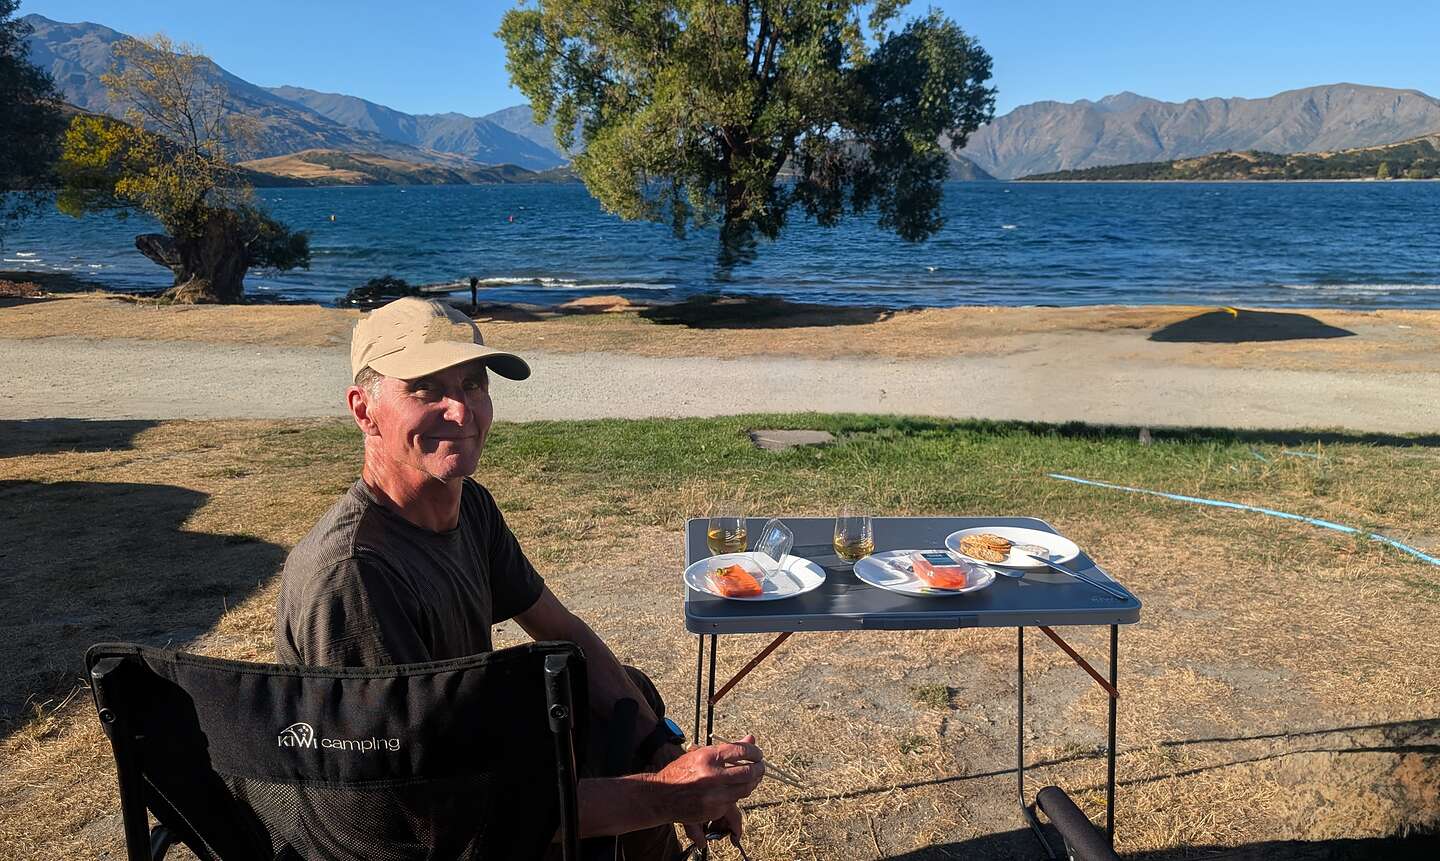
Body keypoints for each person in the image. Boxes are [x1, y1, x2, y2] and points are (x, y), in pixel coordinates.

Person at [274, 297, 764, 857]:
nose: (462, 412)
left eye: (474, 384)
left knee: (627, 703)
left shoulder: (469, 508)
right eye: (427, 389)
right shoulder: (355, 575)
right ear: (365, 411)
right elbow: (435, 813)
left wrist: (663, 751)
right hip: (418, 836)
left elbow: (562, 630)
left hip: (466, 760)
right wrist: (662, 795)